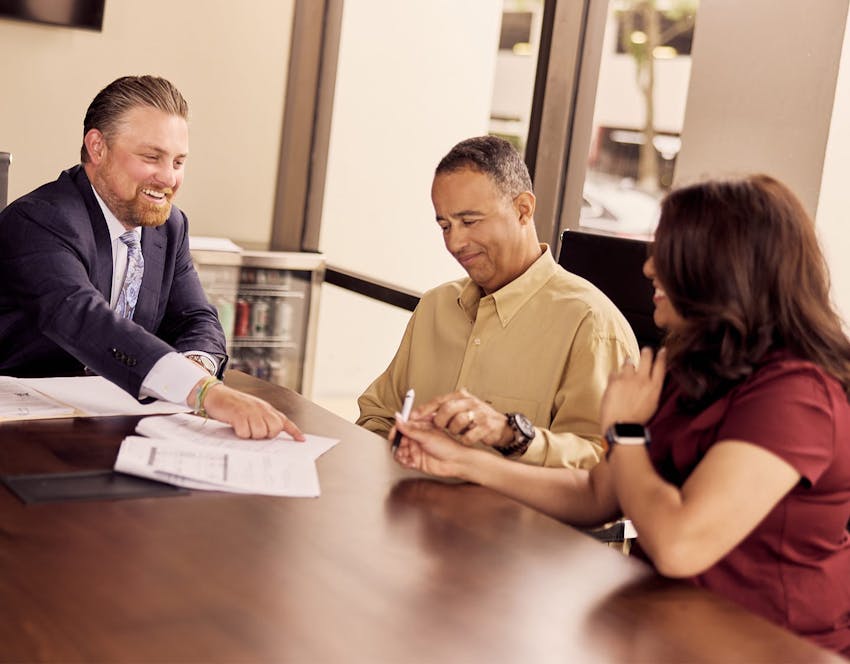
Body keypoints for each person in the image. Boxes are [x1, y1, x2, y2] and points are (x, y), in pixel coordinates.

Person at [393, 174, 850, 655]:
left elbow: (679, 545)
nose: (650, 268)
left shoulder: (796, 394)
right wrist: (463, 461)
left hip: (773, 647)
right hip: (669, 630)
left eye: (667, 253)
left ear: (720, 270)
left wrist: (627, 431)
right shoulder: (690, 365)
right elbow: (598, 493)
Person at [0, 75, 303, 441]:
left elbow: (197, 320)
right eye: (151, 157)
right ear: (97, 147)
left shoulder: (168, 226)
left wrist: (196, 368)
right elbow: (84, 319)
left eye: (178, 161)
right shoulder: (40, 219)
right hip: (24, 431)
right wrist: (204, 391)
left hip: (114, 426)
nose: (168, 178)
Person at [358, 135, 638, 468]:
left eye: (469, 222)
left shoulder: (591, 325)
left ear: (523, 210)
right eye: (445, 225)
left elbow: (608, 466)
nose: (455, 242)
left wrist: (513, 435)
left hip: (517, 519)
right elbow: (376, 415)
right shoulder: (436, 306)